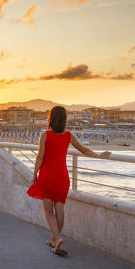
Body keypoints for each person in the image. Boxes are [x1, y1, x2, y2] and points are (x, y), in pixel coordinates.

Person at [27, 106, 111, 256]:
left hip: (47, 176)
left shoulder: (45, 135)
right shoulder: (69, 136)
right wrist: (99, 156)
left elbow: (40, 157)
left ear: (51, 118)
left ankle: (57, 237)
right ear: (64, 119)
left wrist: (34, 174)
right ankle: (55, 239)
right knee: (60, 209)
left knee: (48, 211)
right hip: (62, 177)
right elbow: (84, 150)